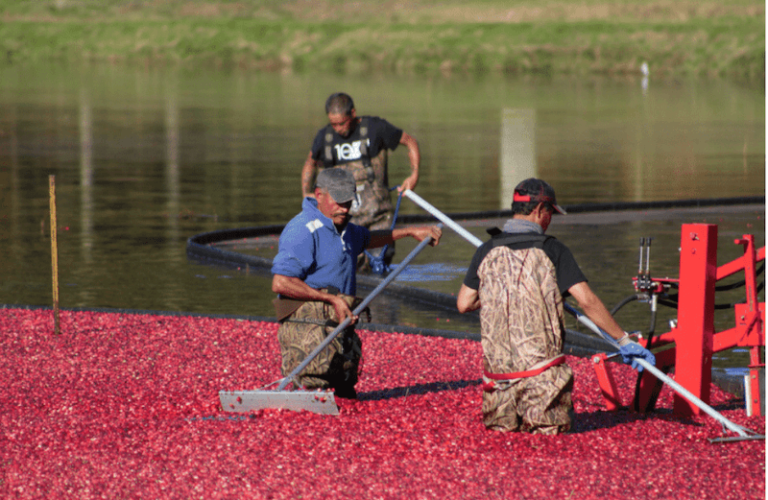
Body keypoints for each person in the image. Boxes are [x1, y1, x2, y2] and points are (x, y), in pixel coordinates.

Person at [456, 178, 655, 435]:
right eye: (550, 213)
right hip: (542, 382)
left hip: (497, 386)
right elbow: (587, 301)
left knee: (503, 458)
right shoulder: (552, 250)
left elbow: (464, 303)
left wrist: (505, 290)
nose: (551, 219)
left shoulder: (486, 249)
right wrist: (624, 340)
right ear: (539, 210)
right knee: (549, 456)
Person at [272, 168, 441, 399]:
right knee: (311, 388)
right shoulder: (301, 230)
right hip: (309, 329)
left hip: (339, 327)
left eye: (348, 201)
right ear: (319, 194)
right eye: (338, 201)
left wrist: (411, 232)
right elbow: (281, 283)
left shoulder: (346, 229)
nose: (344, 207)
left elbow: (369, 238)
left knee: (345, 390)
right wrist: (331, 299)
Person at [301, 92, 421, 267]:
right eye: (333, 124)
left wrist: (414, 175)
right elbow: (309, 164)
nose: (338, 129)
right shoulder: (324, 137)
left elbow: (410, 142)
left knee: (379, 265)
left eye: (342, 123)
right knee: (343, 268)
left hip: (379, 220)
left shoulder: (375, 128)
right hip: (343, 222)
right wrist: (306, 193)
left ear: (353, 113)